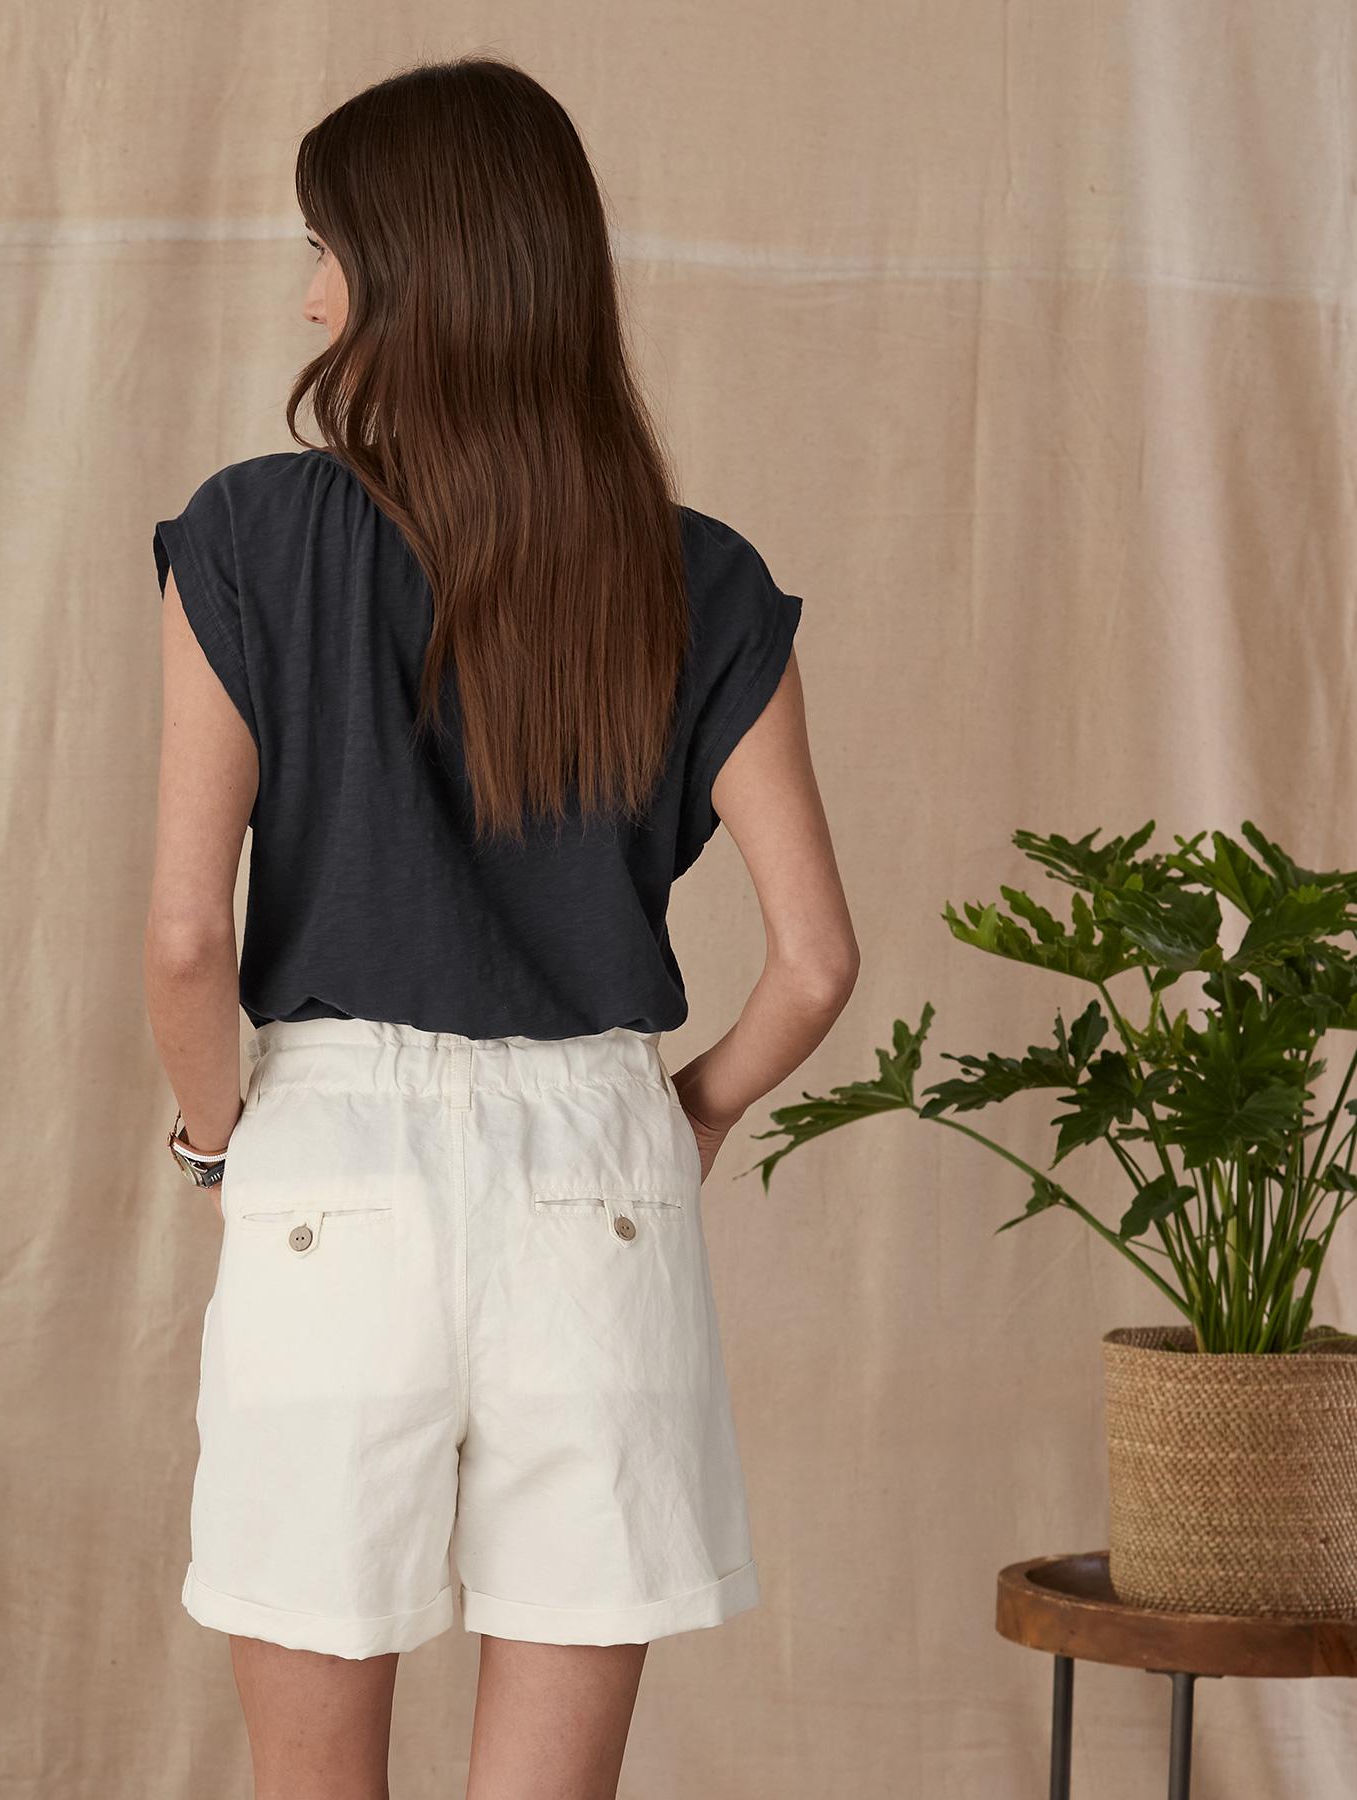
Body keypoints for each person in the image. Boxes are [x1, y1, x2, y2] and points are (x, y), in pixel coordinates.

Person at [144, 52, 860, 1800]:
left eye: (326, 250)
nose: (309, 296)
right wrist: (689, 1116)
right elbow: (817, 962)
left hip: (332, 1167)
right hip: (596, 1174)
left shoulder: (252, 534)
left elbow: (183, 942)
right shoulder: (698, 575)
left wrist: (221, 1142)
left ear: (412, 272)